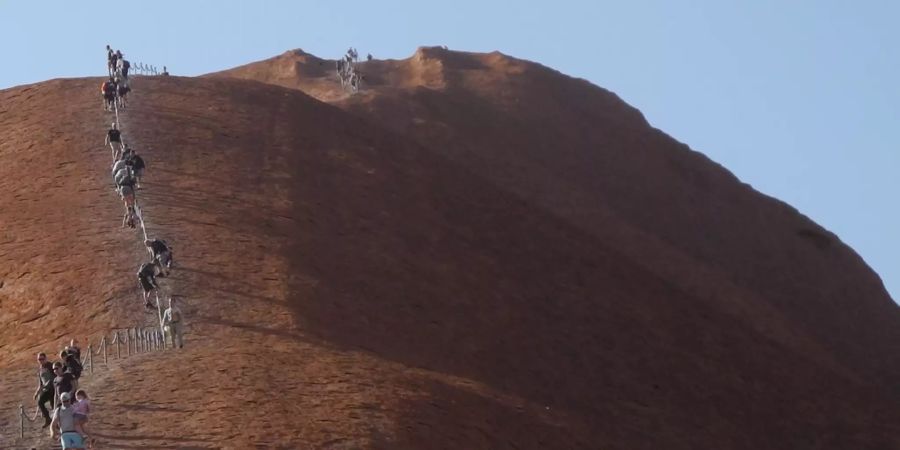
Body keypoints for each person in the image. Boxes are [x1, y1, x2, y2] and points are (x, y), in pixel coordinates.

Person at [33, 354, 55, 427]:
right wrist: (37, 392)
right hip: (46, 389)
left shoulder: (50, 366)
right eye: (39, 359)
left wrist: (49, 382)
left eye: (42, 359)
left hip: (53, 388)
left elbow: (55, 376)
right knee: (40, 402)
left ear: (46, 358)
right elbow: (41, 382)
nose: (41, 361)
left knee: (53, 406)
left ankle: (56, 423)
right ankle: (48, 418)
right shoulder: (40, 369)